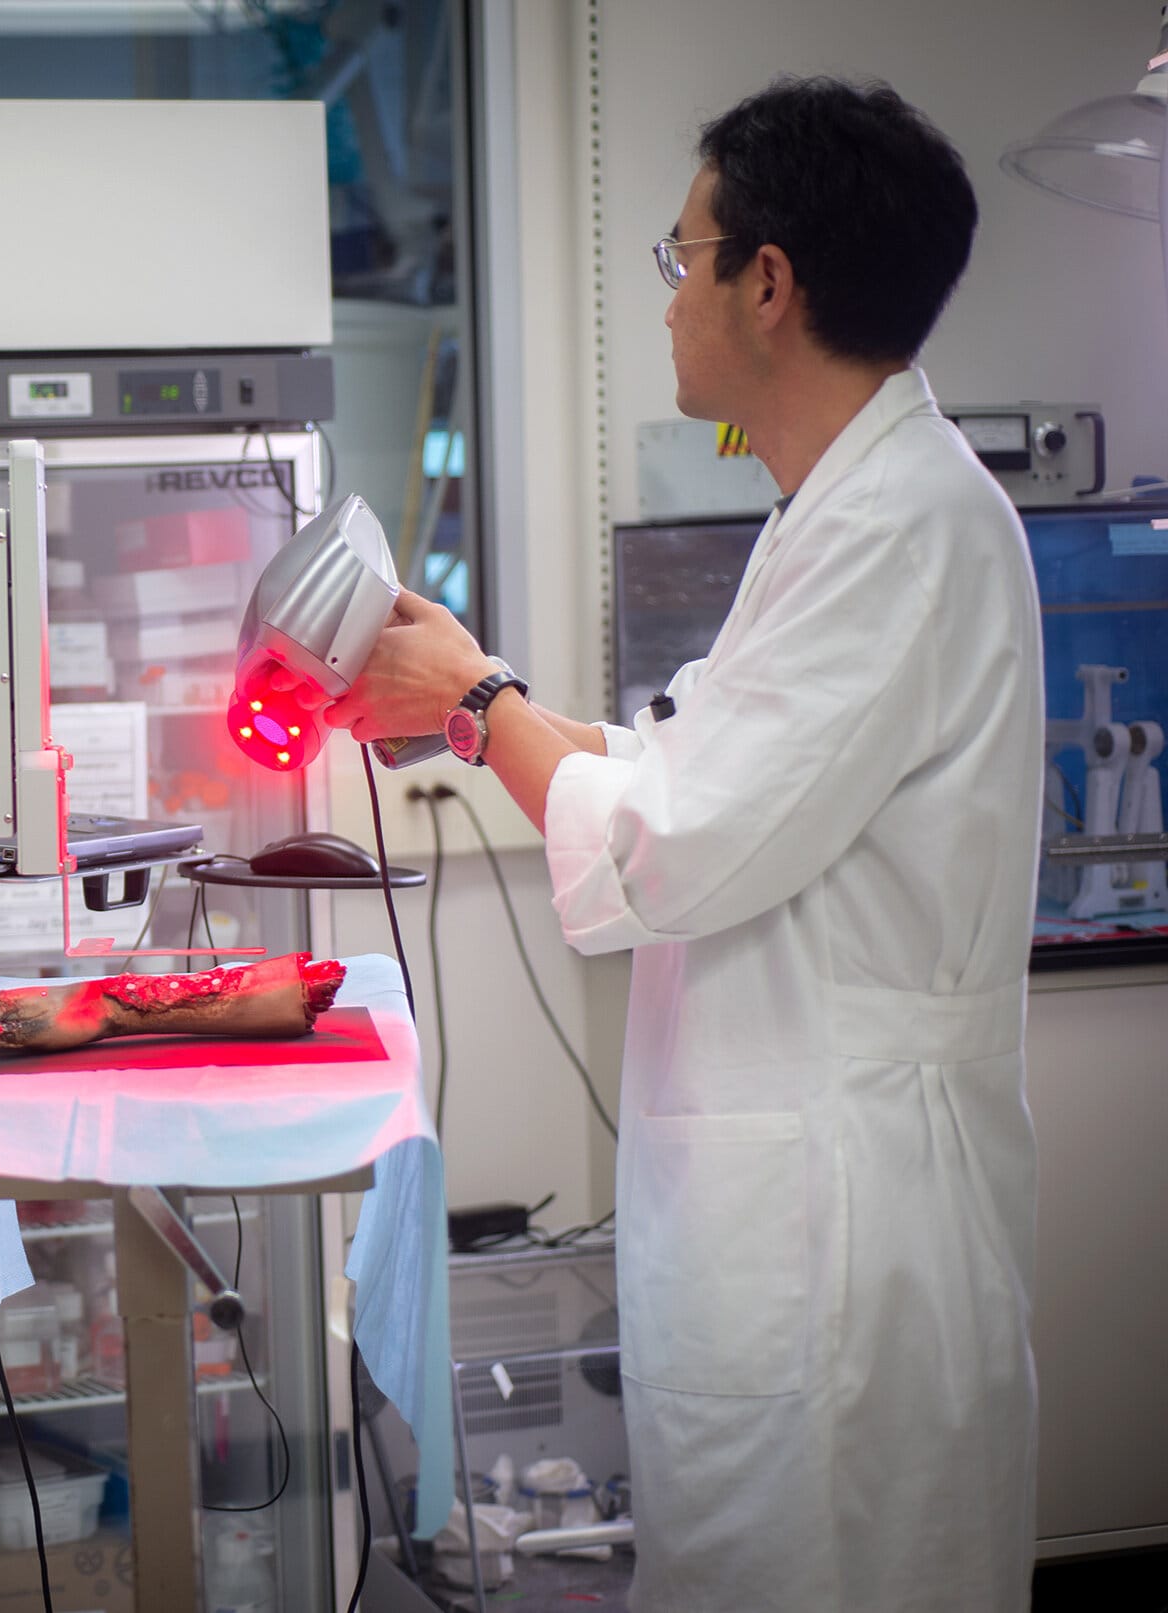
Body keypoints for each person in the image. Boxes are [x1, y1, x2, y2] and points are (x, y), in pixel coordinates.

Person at [303, 78, 1043, 1610]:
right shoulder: (834, 513)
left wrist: (477, 700)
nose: (665, 300)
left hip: (843, 1236)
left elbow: (671, 845)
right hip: (792, 1206)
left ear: (767, 282)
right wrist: (477, 704)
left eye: (679, 257)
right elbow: (680, 765)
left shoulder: (902, 526)